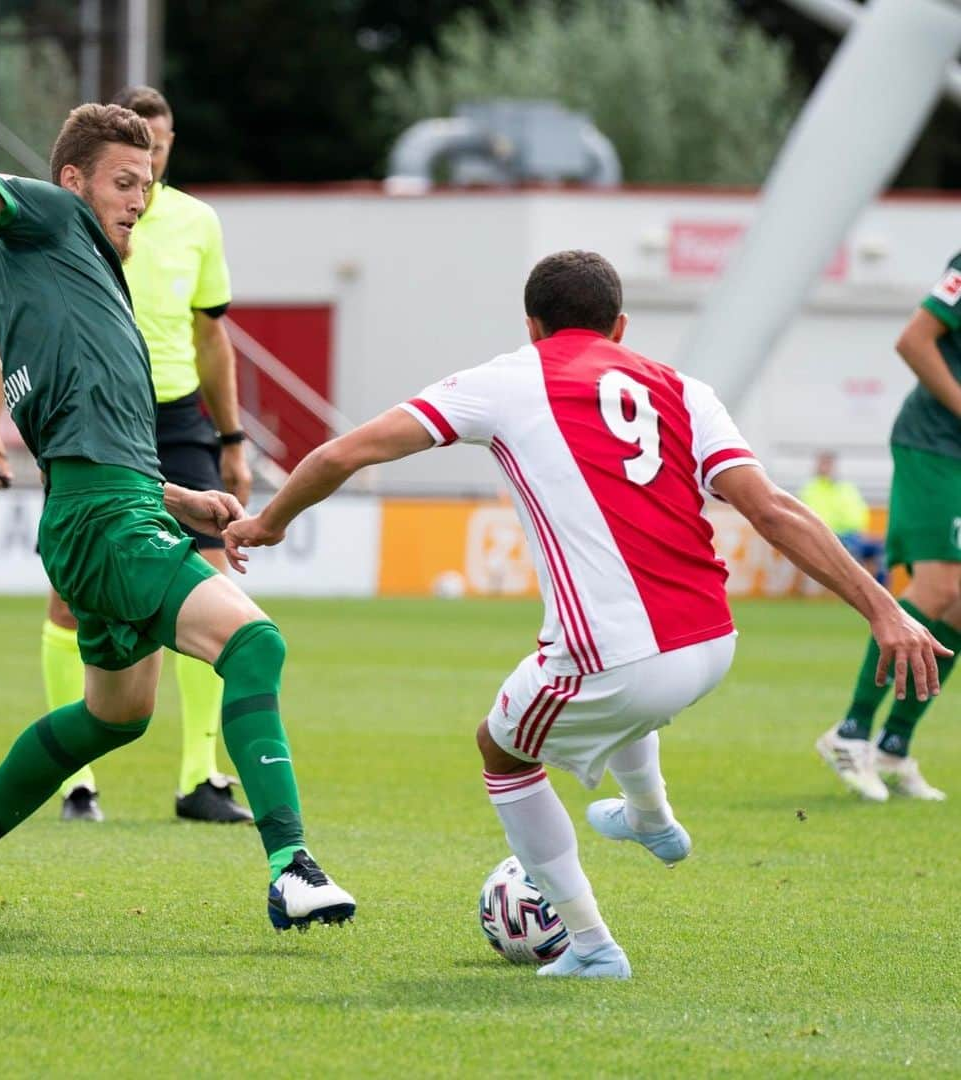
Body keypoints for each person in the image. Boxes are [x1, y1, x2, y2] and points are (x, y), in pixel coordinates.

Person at [224, 249, 945, 979]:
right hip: (712, 643)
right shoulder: (684, 390)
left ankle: (594, 945)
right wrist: (884, 608)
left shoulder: (506, 379)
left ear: (533, 325)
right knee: (599, 685)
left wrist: (271, 521)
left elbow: (348, 453)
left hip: (622, 658)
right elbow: (773, 509)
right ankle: (649, 818)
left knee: (501, 751)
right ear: (621, 326)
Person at [0, 84, 354, 930]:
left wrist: (179, 495)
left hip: (104, 507)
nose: (140, 201)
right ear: (73, 181)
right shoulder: (49, 215)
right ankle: (291, 864)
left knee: (119, 714)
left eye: (147, 184)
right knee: (254, 644)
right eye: (123, 183)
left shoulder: (80, 278)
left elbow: (83, 439)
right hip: (104, 521)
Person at [0, 85, 253, 825]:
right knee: (79, 608)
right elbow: (14, 326)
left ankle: (202, 774)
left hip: (173, 414)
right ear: (89, 172)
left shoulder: (191, 221)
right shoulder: (70, 217)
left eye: (154, 164)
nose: (142, 184)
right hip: (87, 416)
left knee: (223, 595)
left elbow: (211, 332)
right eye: (131, 170)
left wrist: (231, 438)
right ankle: (79, 782)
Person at [817, 255, 961, 802]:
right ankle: (850, 731)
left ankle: (893, 745)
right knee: (937, 587)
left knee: (960, 602)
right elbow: (913, 341)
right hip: (934, 444)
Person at [798, 450, 886, 585]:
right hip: (827, 537)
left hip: (852, 536)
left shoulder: (846, 488)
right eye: (823, 464)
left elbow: (858, 513)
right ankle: (863, 590)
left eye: (828, 464)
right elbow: (810, 518)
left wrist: (858, 532)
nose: (826, 468)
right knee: (852, 552)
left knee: (881, 548)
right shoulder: (810, 490)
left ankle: (882, 592)